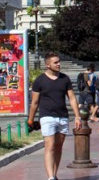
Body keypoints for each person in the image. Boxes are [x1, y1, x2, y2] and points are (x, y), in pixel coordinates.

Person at [28, 52, 82, 180]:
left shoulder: (65, 79)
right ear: (47, 65)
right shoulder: (40, 80)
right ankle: (50, 177)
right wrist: (30, 119)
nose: (59, 64)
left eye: (59, 62)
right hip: (47, 116)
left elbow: (72, 98)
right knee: (50, 144)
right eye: (55, 62)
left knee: (58, 145)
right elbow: (35, 102)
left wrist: (77, 116)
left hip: (62, 116)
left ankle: (54, 174)